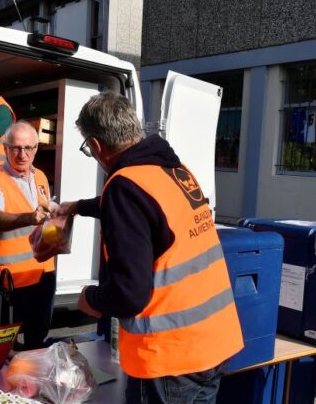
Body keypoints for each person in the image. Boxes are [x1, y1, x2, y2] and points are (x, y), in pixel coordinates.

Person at [56, 92, 244, 404]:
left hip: (170, 358)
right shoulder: (173, 170)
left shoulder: (125, 186)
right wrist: (78, 206)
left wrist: (90, 298)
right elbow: (147, 212)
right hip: (214, 343)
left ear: (97, 146)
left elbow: (129, 294)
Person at [0, 121, 56, 350]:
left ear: (36, 148)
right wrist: (29, 217)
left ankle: (34, 385)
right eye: (16, 148)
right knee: (4, 348)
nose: (22, 154)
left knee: (37, 344)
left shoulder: (40, 177)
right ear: (6, 149)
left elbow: (43, 217)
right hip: (11, 281)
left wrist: (60, 222)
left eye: (28, 148)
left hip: (43, 274)